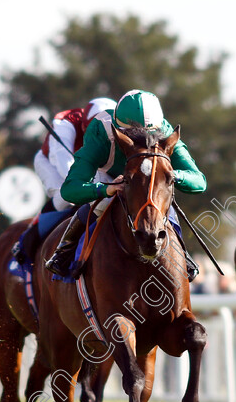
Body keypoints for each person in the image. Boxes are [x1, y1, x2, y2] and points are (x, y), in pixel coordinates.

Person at [44, 89, 206, 280]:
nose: (141, 143)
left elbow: (199, 181)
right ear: (118, 130)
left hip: (147, 177)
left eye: (147, 137)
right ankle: (64, 252)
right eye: (134, 137)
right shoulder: (100, 131)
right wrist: (105, 188)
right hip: (107, 175)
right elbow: (70, 190)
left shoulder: (166, 131)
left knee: (160, 197)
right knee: (103, 203)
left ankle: (182, 255)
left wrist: (172, 175)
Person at [12, 97, 117, 264]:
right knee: (65, 197)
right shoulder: (65, 123)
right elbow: (65, 168)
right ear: (84, 125)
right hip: (50, 162)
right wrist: (88, 188)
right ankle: (28, 239)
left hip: (86, 168)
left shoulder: (117, 126)